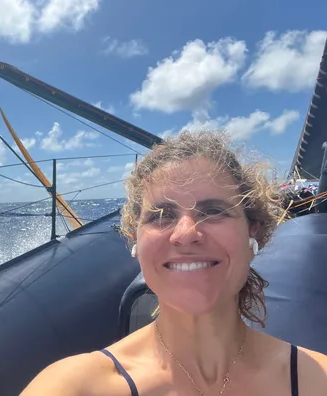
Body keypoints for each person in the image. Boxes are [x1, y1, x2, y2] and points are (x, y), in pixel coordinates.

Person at [20, 130, 327, 395]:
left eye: (213, 211)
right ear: (135, 240)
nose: (186, 234)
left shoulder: (319, 379)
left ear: (253, 231)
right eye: (161, 215)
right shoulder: (75, 388)